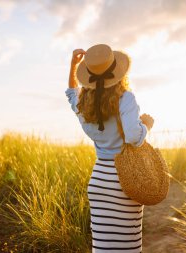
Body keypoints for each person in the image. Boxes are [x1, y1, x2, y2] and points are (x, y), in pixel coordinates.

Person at [65, 44, 154, 252]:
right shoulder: (125, 98)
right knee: (127, 247)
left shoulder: (83, 103)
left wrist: (72, 67)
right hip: (124, 179)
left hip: (98, 181)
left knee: (103, 247)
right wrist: (146, 126)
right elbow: (133, 136)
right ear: (117, 72)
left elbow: (71, 94)